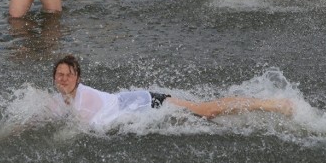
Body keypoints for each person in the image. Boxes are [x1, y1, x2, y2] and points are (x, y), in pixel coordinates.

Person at [52, 55, 294, 128]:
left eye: (68, 75)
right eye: (59, 75)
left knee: (206, 111)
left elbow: (77, 128)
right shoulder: (65, 97)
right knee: (206, 118)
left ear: (78, 78)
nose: (63, 79)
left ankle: (273, 104)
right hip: (136, 102)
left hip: (150, 103)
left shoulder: (84, 98)